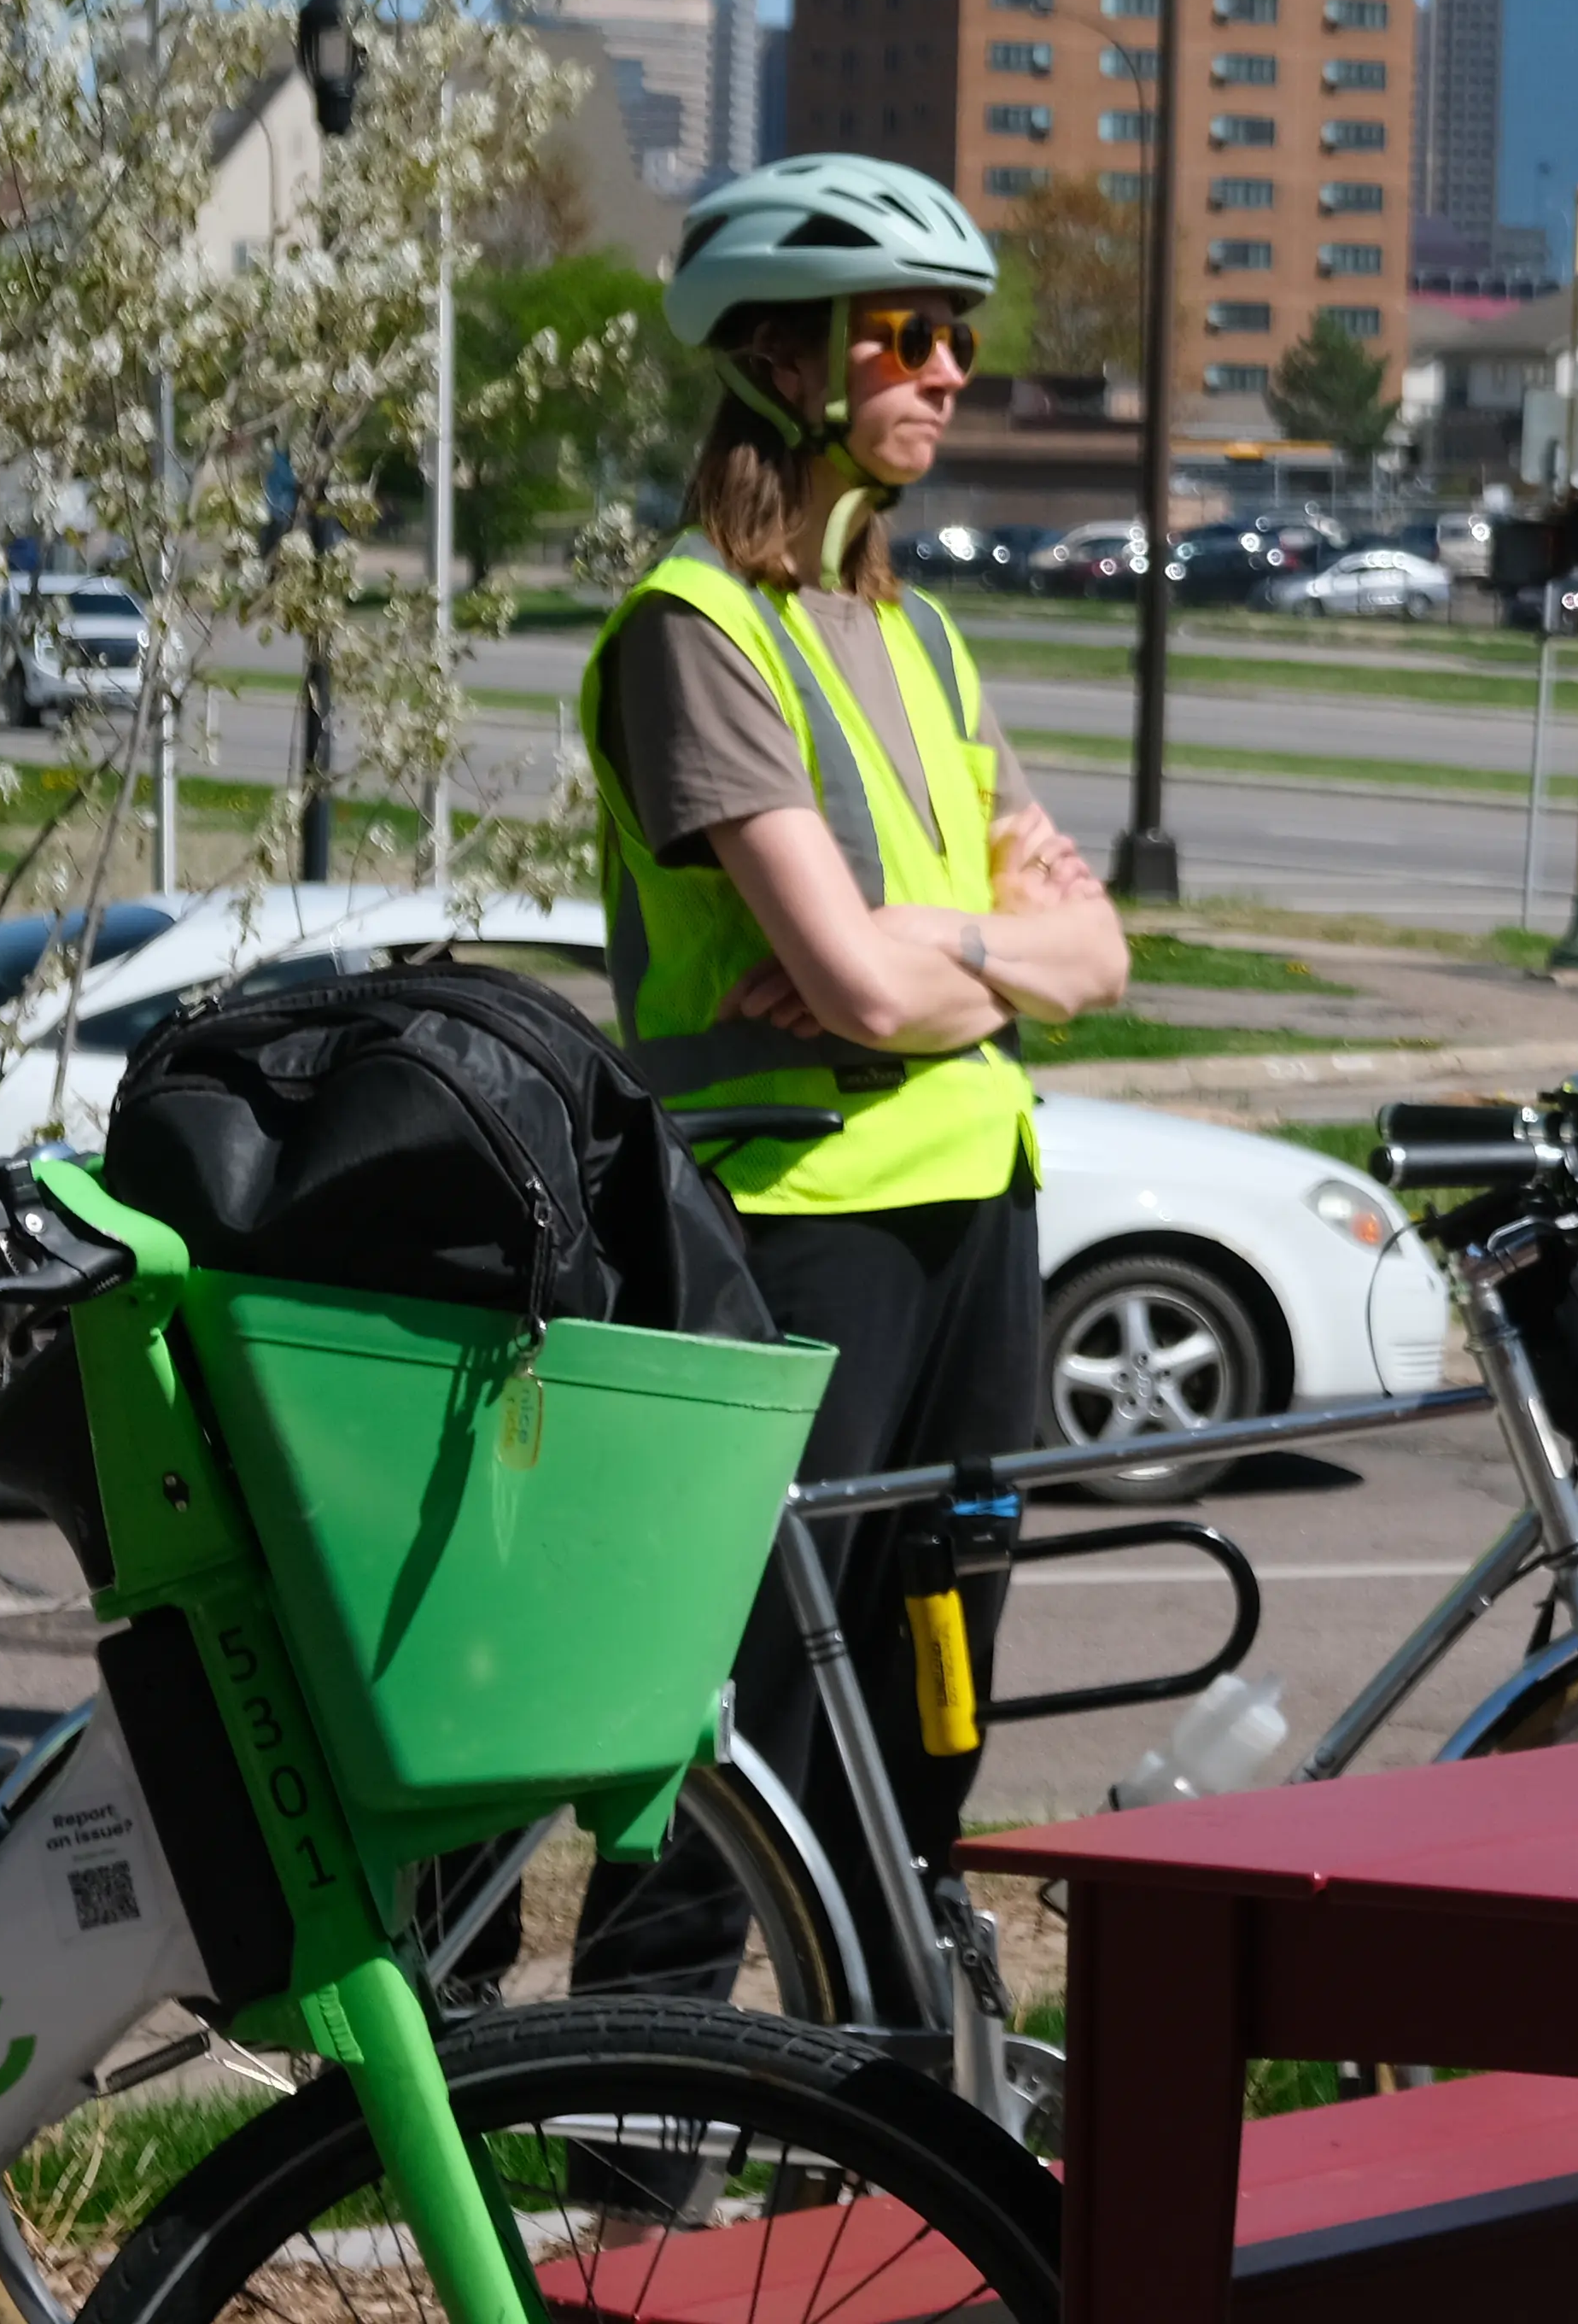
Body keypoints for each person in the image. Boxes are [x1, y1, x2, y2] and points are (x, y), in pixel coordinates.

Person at [574, 152, 1131, 1986]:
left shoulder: (920, 633)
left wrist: (946, 947)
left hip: (977, 1209)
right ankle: (632, 2164)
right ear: (785, 361)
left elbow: (1093, 953)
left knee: (932, 1696)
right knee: (740, 1707)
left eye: (958, 336)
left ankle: (900, 2095)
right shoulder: (694, 630)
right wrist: (935, 962)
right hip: (797, 1231)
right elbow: (844, 987)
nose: (950, 371)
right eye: (907, 334)